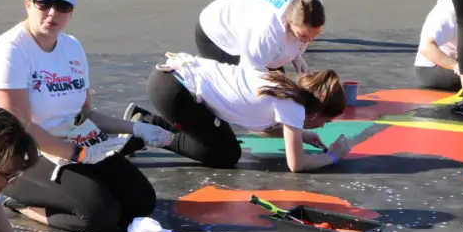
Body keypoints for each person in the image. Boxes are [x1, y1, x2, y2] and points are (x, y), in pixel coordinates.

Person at [0, 0, 172, 232]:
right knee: (98, 216)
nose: (53, 13)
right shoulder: (10, 50)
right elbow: (18, 126)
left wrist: (136, 128)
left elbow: (85, 115)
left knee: (140, 202)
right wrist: (76, 154)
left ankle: (74, 188)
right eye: (44, 4)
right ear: (28, 3)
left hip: (75, 144)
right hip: (21, 151)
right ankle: (18, 202)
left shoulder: (72, 47)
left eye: (62, 6)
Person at [141, 53, 349, 172]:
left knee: (221, 142)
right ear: (317, 111)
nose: (323, 126)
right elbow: (297, 164)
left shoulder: (287, 91)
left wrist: (300, 135)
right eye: (326, 121)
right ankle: (146, 127)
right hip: (175, 90)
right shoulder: (293, 105)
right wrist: (332, 156)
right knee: (224, 154)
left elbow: (260, 128)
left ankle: (144, 123)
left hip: (171, 79)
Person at [196, 0, 325, 72]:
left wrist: (296, 56)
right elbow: (251, 75)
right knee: (243, 93)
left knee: (279, 87)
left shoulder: (312, 3)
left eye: (315, 34)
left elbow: (303, 28)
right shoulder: (267, 31)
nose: (309, 40)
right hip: (216, 30)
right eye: (303, 36)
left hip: (249, 24)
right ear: (289, 21)